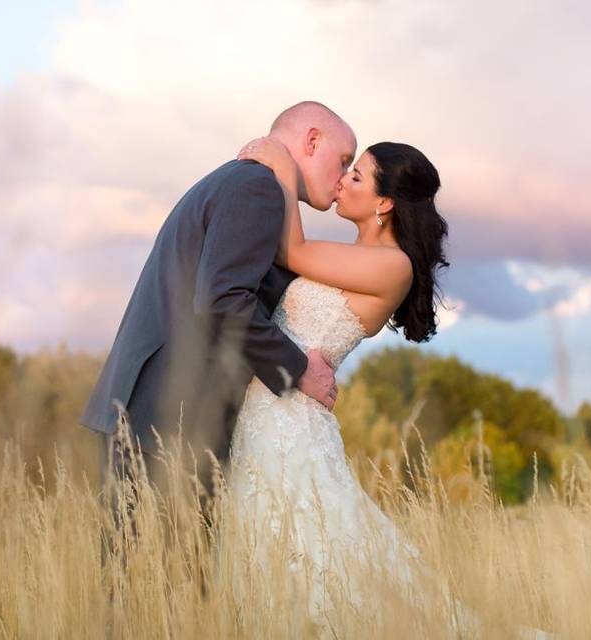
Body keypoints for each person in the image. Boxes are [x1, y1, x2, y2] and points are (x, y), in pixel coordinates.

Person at [226, 136, 553, 638]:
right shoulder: (353, 256)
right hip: (268, 410)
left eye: (355, 176)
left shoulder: (392, 265)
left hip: (289, 422)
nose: (341, 181)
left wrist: (282, 170)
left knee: (319, 559)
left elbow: (291, 249)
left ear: (383, 203)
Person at [78, 101, 354, 515]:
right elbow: (223, 301)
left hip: (148, 412)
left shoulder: (238, 181)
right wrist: (300, 370)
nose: (343, 178)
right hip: (170, 418)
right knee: (166, 577)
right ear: (312, 141)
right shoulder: (256, 188)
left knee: (147, 577)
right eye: (344, 160)